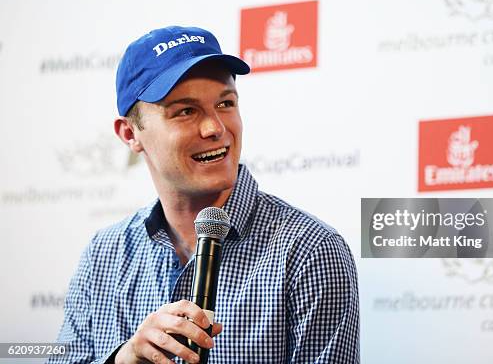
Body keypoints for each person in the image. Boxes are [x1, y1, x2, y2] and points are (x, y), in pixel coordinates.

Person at [50, 25, 360, 364]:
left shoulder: (310, 251)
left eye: (225, 103)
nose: (215, 128)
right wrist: (123, 359)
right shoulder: (103, 255)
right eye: (185, 110)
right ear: (130, 134)